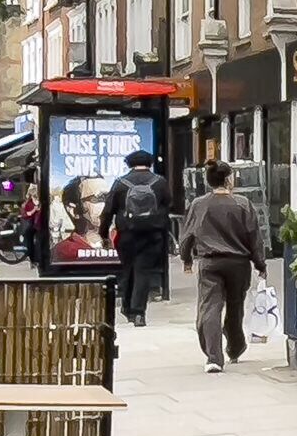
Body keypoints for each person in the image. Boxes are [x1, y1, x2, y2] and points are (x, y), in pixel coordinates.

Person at [178, 160, 268, 372]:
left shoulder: (199, 205)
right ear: (228, 179)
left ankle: (213, 358)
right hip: (239, 263)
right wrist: (260, 264)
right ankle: (235, 348)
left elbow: (187, 235)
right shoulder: (243, 204)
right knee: (235, 307)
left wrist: (187, 259)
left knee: (210, 307)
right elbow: (254, 237)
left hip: (210, 262)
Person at [98, 150, 171, 326]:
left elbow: (108, 211)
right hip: (153, 235)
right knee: (143, 271)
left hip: (127, 235)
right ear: (150, 163)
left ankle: (127, 307)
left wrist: (104, 234)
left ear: (129, 163)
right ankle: (139, 312)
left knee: (127, 270)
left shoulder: (121, 183)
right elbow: (169, 204)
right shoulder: (160, 182)